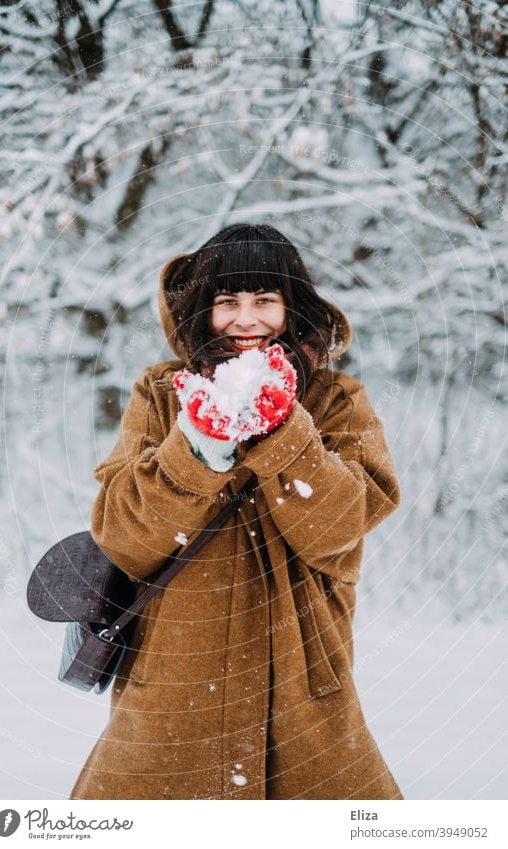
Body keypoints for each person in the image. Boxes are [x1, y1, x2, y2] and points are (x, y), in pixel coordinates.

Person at [69, 222, 403, 800]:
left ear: (290, 306)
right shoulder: (159, 394)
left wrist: (285, 436)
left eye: (265, 300)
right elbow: (124, 536)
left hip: (301, 683)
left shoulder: (335, 400)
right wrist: (196, 447)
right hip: (174, 680)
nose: (246, 320)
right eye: (228, 302)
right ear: (205, 309)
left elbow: (340, 527)